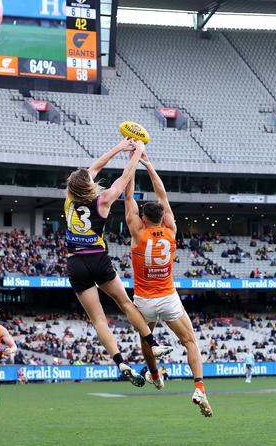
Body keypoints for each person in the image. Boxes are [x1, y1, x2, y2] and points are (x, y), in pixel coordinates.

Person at [64, 139, 170, 388]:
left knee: (98, 320)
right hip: (97, 258)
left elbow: (92, 171)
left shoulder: (68, 199)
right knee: (124, 302)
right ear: (89, 186)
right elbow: (125, 177)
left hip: (75, 263)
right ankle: (152, 344)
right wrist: (134, 152)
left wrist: (119, 147)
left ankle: (120, 362)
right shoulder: (103, 201)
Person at [124, 151, 212, 417]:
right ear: (162, 218)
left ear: (143, 218)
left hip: (144, 300)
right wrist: (149, 164)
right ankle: (199, 388)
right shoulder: (171, 231)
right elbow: (162, 196)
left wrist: (132, 161)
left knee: (145, 339)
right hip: (168, 297)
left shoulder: (137, 232)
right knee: (190, 341)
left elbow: (128, 197)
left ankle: (155, 376)